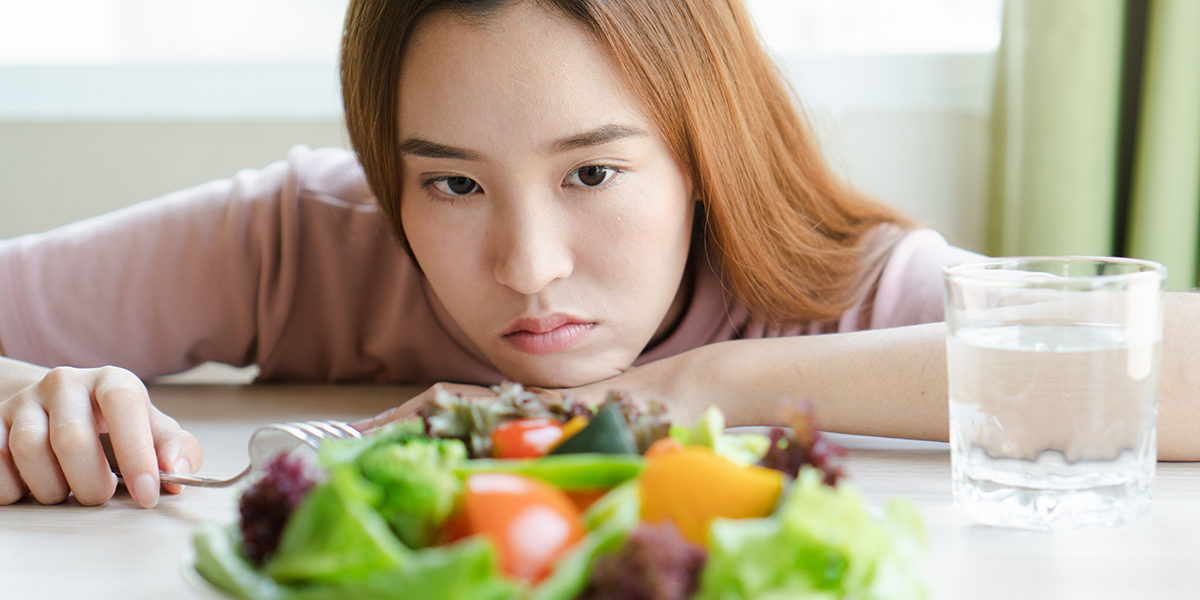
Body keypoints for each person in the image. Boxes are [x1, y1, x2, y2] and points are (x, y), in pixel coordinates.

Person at [1, 0, 1197, 511]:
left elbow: (1166, 359)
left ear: (700, 151)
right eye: (454, 183)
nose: (529, 266)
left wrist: (693, 387)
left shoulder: (831, 287)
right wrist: (20, 399)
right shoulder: (304, 236)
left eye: (592, 174)